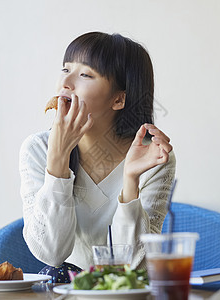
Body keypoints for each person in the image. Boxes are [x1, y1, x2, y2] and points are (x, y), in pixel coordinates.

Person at [19, 32, 176, 283]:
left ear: (118, 99)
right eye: (65, 69)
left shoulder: (153, 157)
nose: (66, 83)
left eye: (85, 75)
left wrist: (130, 180)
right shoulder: (38, 149)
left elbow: (133, 267)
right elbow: (51, 254)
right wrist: (57, 162)